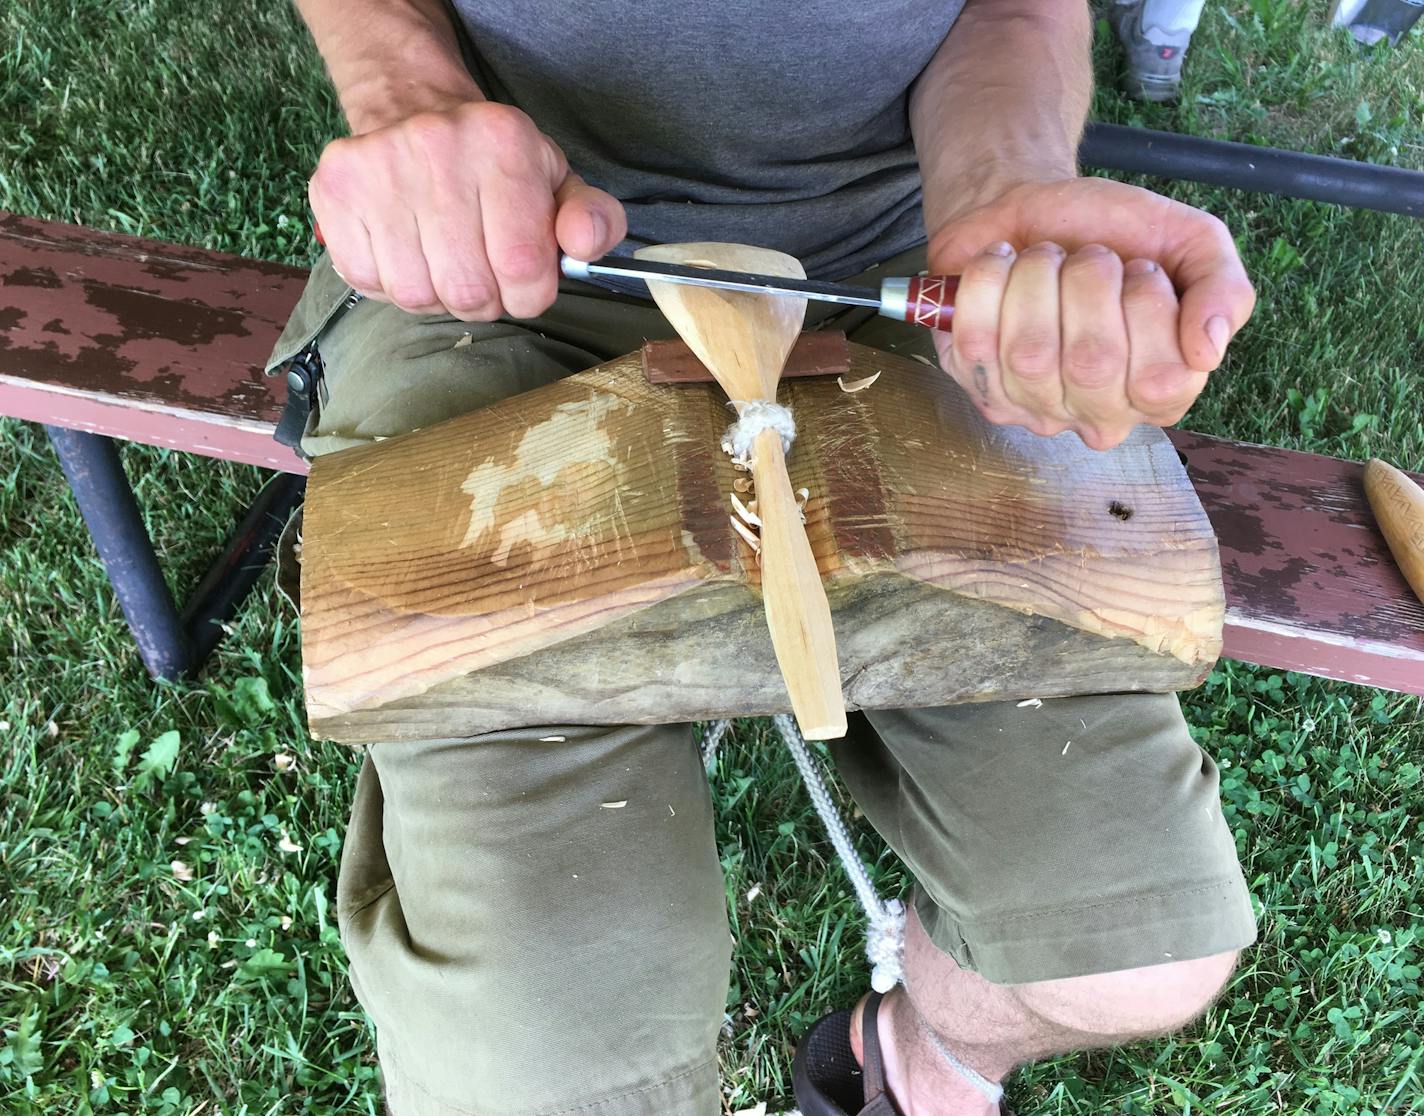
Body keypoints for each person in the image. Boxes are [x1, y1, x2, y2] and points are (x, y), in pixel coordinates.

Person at [268, 1, 1259, 1112]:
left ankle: (923, 1053)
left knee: (1134, 955)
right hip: (495, 272)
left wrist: (1002, 198)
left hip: (902, 280)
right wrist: (407, 91)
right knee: (543, 1064)